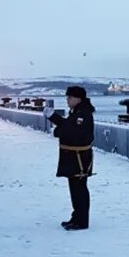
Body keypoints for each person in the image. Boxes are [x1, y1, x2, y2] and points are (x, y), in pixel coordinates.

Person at [44, 86, 95, 230]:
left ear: (78, 98)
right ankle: (76, 217)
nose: (67, 100)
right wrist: (53, 117)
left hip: (79, 158)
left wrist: (57, 130)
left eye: (70, 98)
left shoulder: (83, 114)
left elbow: (70, 131)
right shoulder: (77, 112)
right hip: (74, 157)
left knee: (79, 189)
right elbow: (68, 125)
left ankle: (81, 221)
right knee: (75, 188)